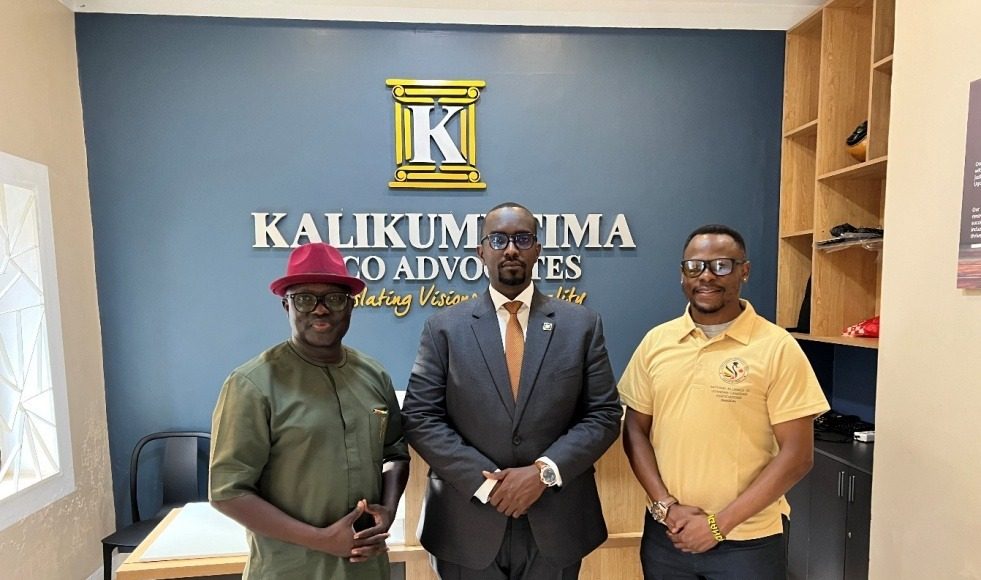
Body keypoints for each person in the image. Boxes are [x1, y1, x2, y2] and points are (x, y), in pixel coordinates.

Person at [402, 202, 623, 579]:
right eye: (499, 239)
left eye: (522, 239)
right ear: (481, 250)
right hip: (465, 522)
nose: (510, 249)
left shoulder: (581, 325)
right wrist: (487, 485)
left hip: (556, 521)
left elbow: (603, 415)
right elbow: (421, 417)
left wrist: (542, 472)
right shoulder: (443, 329)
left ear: (537, 249)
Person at [618, 224, 829, 580]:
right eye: (695, 266)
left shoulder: (777, 347)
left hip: (748, 542)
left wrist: (716, 526)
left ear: (744, 271)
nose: (706, 277)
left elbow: (797, 455)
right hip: (668, 536)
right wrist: (665, 507)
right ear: (682, 274)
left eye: (721, 266)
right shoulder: (657, 342)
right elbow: (635, 430)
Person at [209, 242, 410, 579]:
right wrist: (321, 539)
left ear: (350, 306)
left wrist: (388, 510)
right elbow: (228, 491)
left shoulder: (374, 375)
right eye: (304, 299)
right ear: (286, 305)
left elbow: (395, 453)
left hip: (367, 567)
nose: (320, 310)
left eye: (333, 298)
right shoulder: (252, 384)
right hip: (290, 568)